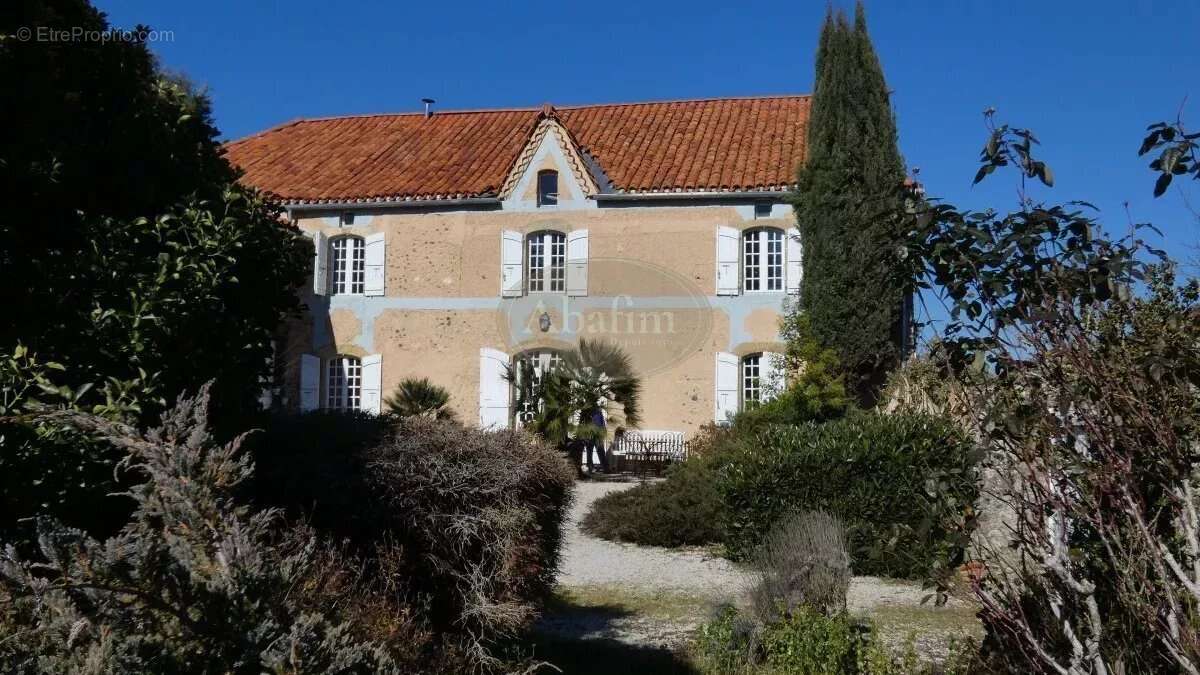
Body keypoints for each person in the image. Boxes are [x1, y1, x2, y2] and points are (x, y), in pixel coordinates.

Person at [584, 406, 609, 474]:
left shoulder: (598, 411)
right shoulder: (586, 411)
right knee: (589, 452)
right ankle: (590, 468)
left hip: (598, 434)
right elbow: (584, 423)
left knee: (600, 451)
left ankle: (605, 468)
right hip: (589, 434)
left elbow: (602, 422)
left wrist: (603, 431)